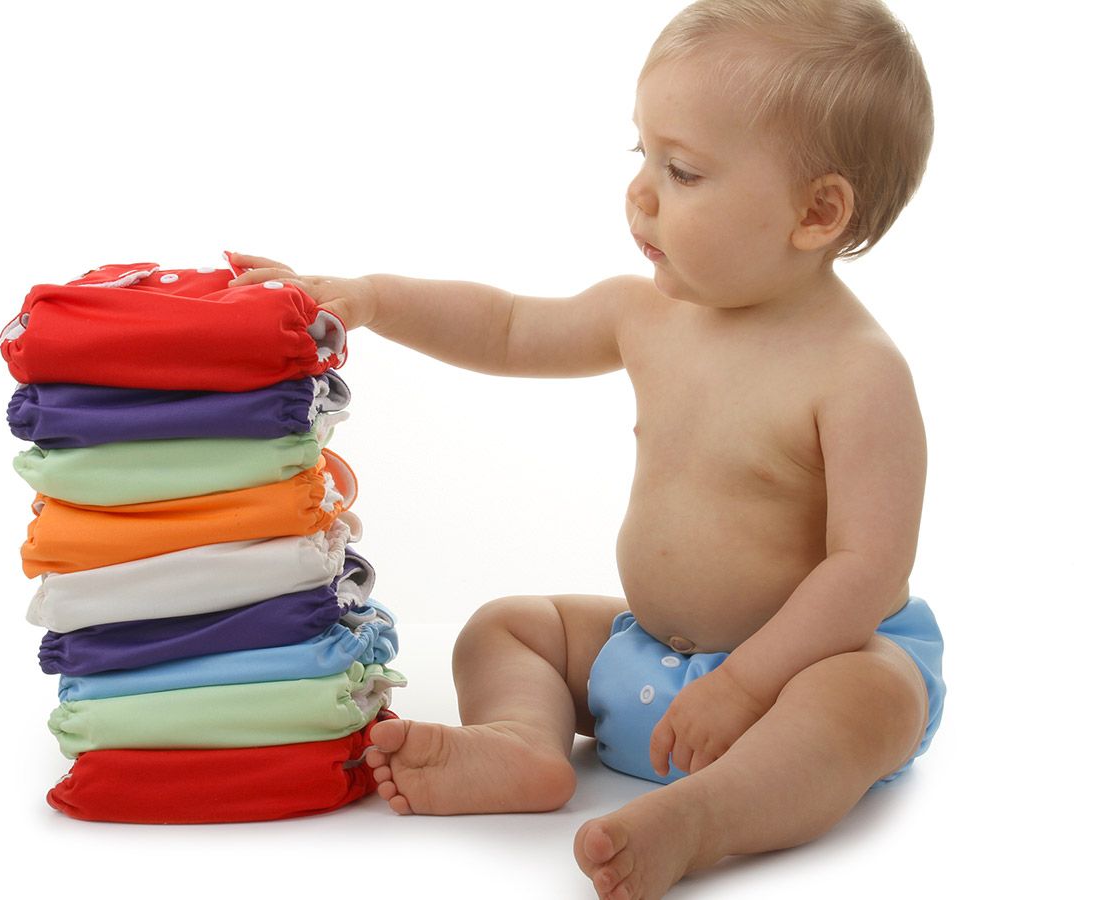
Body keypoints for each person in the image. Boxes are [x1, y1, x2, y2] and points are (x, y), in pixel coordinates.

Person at [227, 1, 942, 896]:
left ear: (818, 210)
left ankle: (706, 819)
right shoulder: (649, 316)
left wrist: (750, 683)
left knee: (869, 699)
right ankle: (523, 748)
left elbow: (868, 570)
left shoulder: (857, 373)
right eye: (639, 153)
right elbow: (510, 327)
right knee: (508, 625)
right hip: (653, 661)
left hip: (797, 675)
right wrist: (370, 296)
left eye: (682, 171)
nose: (641, 191)